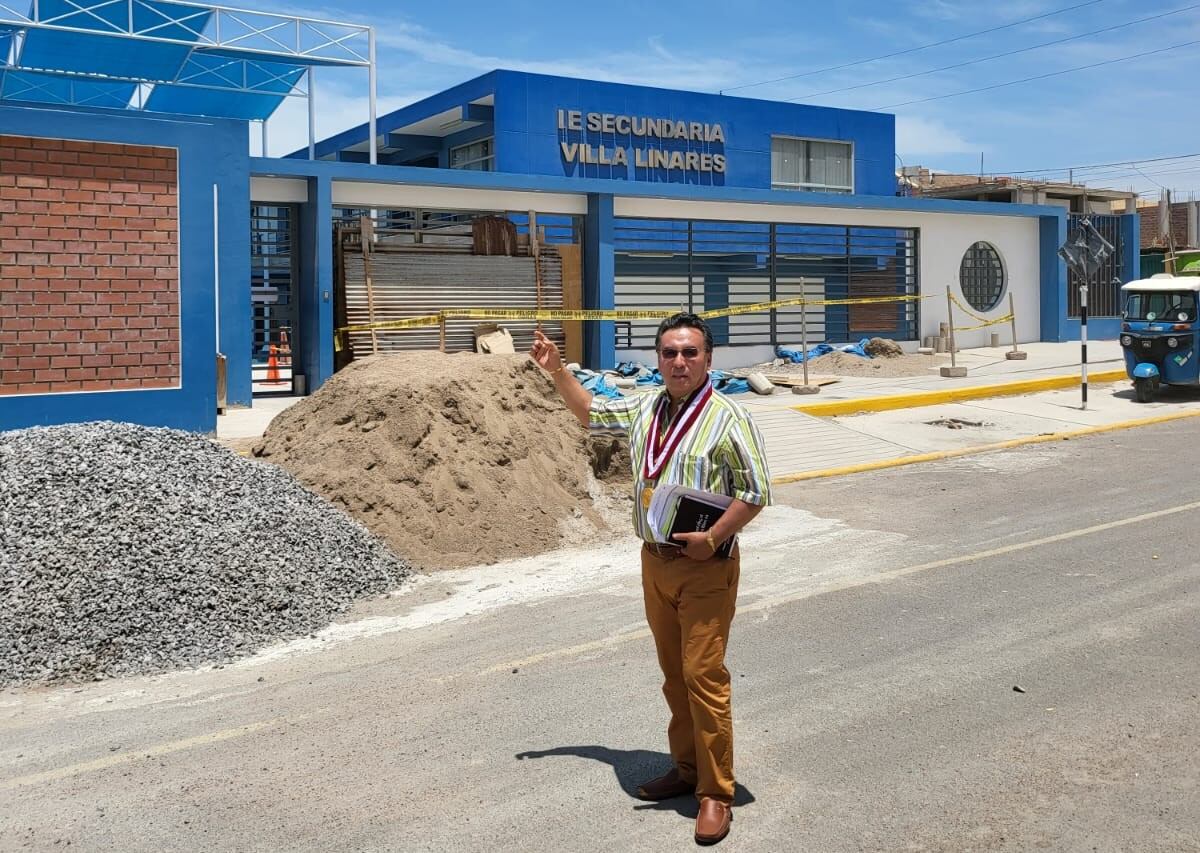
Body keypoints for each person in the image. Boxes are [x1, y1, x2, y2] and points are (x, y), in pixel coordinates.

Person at [529, 312, 772, 845]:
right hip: (654, 561)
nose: (679, 362)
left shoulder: (730, 418)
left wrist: (713, 538)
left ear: (709, 358)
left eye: (689, 352)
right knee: (673, 675)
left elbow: (755, 491)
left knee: (703, 676)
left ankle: (715, 793)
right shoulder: (644, 407)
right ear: (657, 359)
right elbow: (590, 411)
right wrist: (557, 372)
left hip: (706, 565)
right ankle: (686, 770)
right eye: (669, 353)